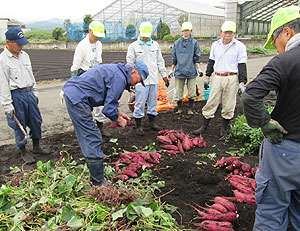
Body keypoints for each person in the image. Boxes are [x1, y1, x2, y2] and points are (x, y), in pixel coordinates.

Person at [242, 6, 300, 231]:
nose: (277, 48)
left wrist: (264, 123)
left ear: (287, 33)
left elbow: (250, 95)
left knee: (271, 212)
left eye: (275, 40)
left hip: (287, 152)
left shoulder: (286, 61)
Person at [61, 61, 149, 186]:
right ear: (134, 72)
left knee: (91, 135)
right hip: (77, 98)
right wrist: (119, 120)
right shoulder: (119, 78)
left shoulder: (118, 73)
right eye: (139, 80)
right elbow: (108, 110)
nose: (137, 84)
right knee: (92, 136)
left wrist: (118, 113)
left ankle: (96, 173)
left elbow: (108, 100)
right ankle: (98, 182)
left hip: (76, 94)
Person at [0, 27, 48, 164]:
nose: (21, 46)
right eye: (18, 43)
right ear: (8, 42)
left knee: (35, 120)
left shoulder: (24, 56)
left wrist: (35, 92)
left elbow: (31, 76)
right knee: (19, 124)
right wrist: (7, 105)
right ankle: (23, 150)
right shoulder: (3, 60)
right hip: (16, 95)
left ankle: (36, 146)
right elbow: (2, 85)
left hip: (28, 93)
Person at [193, 21, 247, 137]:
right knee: (212, 101)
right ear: (220, 33)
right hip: (218, 77)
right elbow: (211, 62)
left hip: (232, 78)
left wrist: (242, 82)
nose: (227, 35)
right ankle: (204, 126)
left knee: (228, 104)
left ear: (234, 34)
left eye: (230, 33)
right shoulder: (215, 45)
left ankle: (224, 128)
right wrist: (207, 76)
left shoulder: (240, 47)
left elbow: (242, 65)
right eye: (225, 32)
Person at [126, 21, 168, 136]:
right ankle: (138, 126)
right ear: (139, 32)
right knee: (139, 103)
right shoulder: (133, 46)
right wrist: (130, 80)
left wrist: (164, 75)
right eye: (143, 35)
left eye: (147, 35)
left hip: (153, 79)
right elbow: (130, 64)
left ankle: (152, 123)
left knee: (153, 102)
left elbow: (160, 61)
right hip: (140, 81)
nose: (145, 38)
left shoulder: (155, 45)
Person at [70, 20, 111, 137]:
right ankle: (89, 130)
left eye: (99, 36)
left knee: (99, 104)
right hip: (84, 75)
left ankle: (100, 127)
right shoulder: (82, 46)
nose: (97, 37)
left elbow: (98, 62)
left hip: (96, 76)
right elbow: (75, 67)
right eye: (96, 35)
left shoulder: (99, 45)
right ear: (89, 31)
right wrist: (74, 82)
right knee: (86, 106)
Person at [169, 21, 202, 115]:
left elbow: (196, 57)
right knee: (179, 91)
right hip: (179, 71)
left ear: (190, 31)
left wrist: (198, 68)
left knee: (192, 91)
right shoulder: (177, 43)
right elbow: (174, 58)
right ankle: (179, 108)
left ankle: (190, 109)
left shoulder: (194, 43)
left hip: (191, 70)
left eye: (187, 30)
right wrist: (172, 69)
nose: (186, 32)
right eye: (184, 30)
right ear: (182, 31)